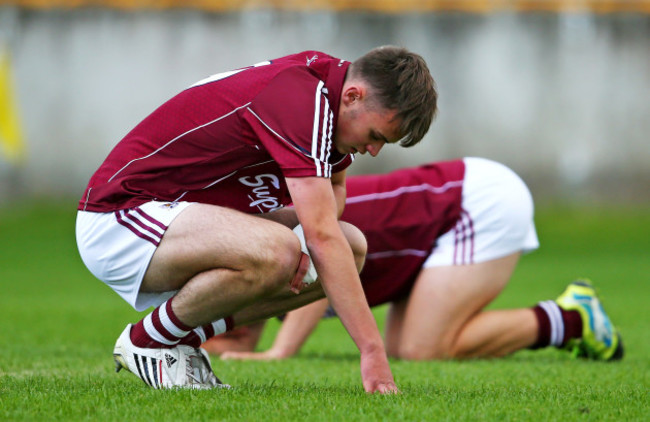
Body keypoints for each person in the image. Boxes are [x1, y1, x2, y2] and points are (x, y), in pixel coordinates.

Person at [75, 46, 438, 392]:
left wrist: (307, 240)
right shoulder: (301, 99)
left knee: (352, 246)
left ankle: (179, 342)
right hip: (120, 216)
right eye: (375, 136)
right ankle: (146, 342)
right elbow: (322, 236)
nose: (373, 151)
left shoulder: (330, 98)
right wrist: (373, 352)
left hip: (181, 220)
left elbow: (335, 189)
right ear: (354, 96)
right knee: (283, 250)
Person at [202, 158, 623, 362]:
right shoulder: (265, 237)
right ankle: (565, 322)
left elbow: (323, 255)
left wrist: (281, 352)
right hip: (447, 215)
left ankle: (573, 320)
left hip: (478, 201)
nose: (220, 338)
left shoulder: (280, 232)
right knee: (406, 348)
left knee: (424, 349)